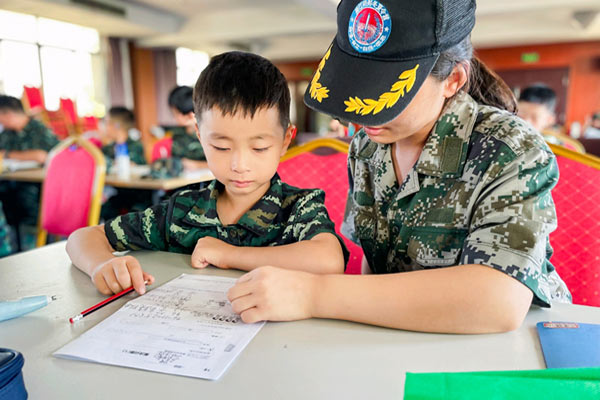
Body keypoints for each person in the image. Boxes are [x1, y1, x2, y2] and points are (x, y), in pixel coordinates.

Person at [226, 0, 571, 333]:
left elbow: (499, 300)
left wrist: (314, 294)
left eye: (384, 90)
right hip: (402, 337)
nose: (360, 111)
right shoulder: (367, 146)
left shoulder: (509, 148)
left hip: (509, 349)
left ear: (452, 80)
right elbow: (374, 264)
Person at [66, 51, 347, 296]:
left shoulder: (299, 207)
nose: (239, 164)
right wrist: (101, 265)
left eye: (259, 147)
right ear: (200, 136)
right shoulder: (182, 211)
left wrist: (230, 255)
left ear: (286, 140)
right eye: (221, 147)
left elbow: (327, 259)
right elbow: (83, 238)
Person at [0, 95, 59, 251]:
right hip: (13, 180)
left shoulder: (38, 129)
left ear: (8, 114)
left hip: (41, 184)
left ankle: (34, 246)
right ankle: (11, 246)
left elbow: (42, 156)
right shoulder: (7, 133)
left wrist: (8, 154)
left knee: (26, 197)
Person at [100, 106, 150, 220]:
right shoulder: (107, 149)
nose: (104, 127)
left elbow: (139, 168)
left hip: (136, 194)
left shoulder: (135, 146)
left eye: (107, 123)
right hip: (116, 194)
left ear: (117, 125)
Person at [166, 85, 208, 171]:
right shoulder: (178, 134)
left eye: (175, 113)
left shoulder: (210, 133)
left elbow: (225, 164)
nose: (174, 117)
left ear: (188, 114)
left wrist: (198, 165)